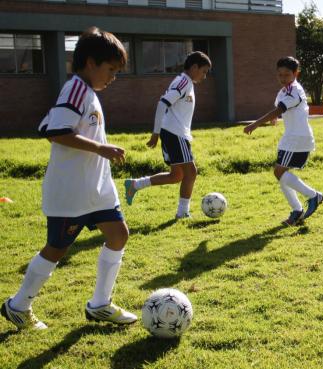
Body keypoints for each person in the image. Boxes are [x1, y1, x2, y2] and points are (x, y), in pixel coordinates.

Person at [1, 27, 136, 329]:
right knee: (57, 248)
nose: (113, 78)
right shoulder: (76, 88)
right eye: (111, 70)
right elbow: (56, 132)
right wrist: (101, 148)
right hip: (72, 191)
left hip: (97, 188)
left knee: (119, 235)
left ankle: (100, 304)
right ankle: (18, 306)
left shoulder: (85, 91)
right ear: (90, 62)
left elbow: (46, 123)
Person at [123, 51, 212, 219]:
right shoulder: (183, 82)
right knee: (191, 173)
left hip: (176, 133)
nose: (204, 76)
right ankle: (183, 213)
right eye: (204, 71)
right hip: (174, 132)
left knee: (176, 175)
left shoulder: (187, 82)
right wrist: (155, 133)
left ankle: (134, 185)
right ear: (194, 67)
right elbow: (162, 103)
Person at [243, 56, 323, 226]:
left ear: (296, 74)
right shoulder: (283, 91)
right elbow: (280, 109)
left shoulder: (294, 90)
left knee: (279, 172)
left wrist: (256, 123)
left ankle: (313, 196)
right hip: (291, 138)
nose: (283, 78)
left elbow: (280, 108)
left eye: (287, 75)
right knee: (280, 174)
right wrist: (276, 118)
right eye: (279, 75)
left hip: (297, 138)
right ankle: (297, 210)